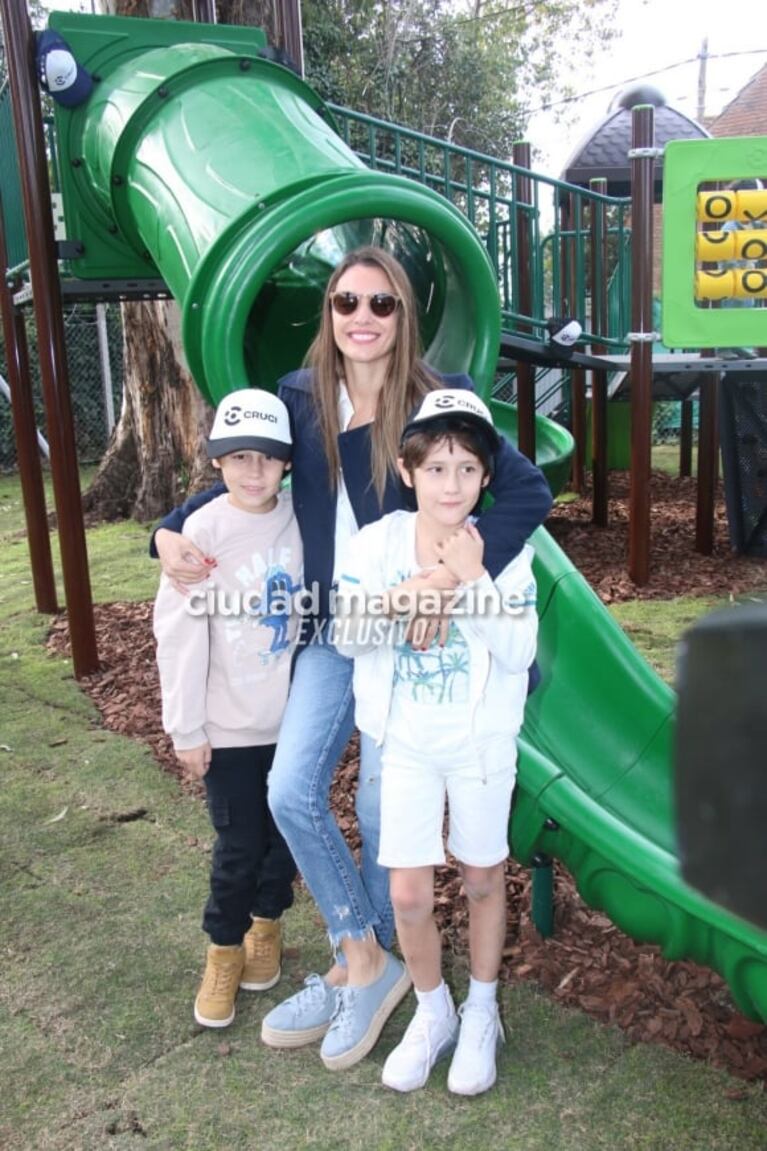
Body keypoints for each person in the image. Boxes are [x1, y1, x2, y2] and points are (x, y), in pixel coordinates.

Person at [152, 246, 552, 1070]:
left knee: (380, 813)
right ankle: (361, 955)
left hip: (406, 630)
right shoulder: (298, 398)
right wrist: (170, 523)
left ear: (403, 315)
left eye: (381, 304)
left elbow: (525, 492)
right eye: (346, 303)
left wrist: (443, 579)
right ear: (327, 313)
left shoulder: (435, 401)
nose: (362, 319)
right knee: (290, 789)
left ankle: (381, 973)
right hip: (333, 628)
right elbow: (246, 472)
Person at [333, 390, 537, 1095]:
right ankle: (432, 1011)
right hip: (407, 744)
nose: (452, 485)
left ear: (485, 479)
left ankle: (481, 1008)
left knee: (481, 876)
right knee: (410, 893)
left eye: (468, 470)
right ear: (406, 468)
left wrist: (469, 581)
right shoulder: (375, 545)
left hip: (479, 745)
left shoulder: (501, 554)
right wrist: (408, 594)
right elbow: (346, 634)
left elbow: (516, 651)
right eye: (437, 467)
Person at [153, 389, 302, 1030]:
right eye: (237, 457)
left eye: (265, 458)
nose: (251, 471)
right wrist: (186, 726)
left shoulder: (303, 519)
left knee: (284, 840)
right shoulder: (201, 532)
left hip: (293, 723)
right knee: (238, 845)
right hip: (231, 727)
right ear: (216, 462)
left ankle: (265, 928)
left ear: (287, 464)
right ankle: (223, 949)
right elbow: (180, 634)